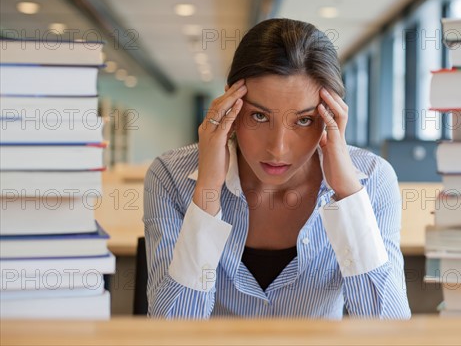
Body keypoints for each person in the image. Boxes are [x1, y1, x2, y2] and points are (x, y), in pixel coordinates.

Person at [143, 18, 411, 319]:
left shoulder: (372, 179)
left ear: (332, 115)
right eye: (259, 116)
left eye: (304, 120)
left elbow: (390, 330)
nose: (278, 148)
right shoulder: (171, 176)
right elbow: (174, 331)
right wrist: (207, 191)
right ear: (230, 104)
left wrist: (348, 194)